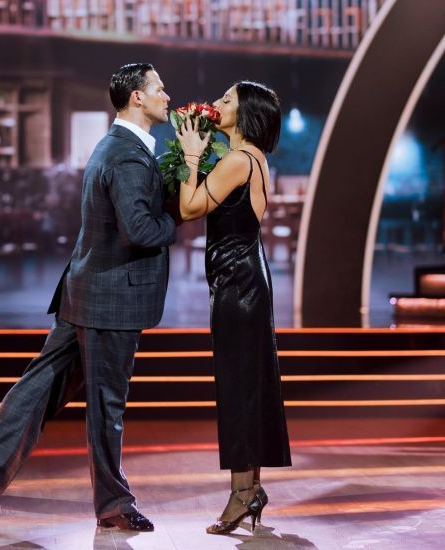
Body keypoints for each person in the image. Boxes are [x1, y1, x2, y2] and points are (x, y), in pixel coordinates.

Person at [0, 63, 175, 532]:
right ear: (136, 97)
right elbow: (139, 230)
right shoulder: (128, 155)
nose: (166, 96)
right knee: (106, 405)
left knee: (39, 386)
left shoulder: (114, 145)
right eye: (158, 88)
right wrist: (178, 219)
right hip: (109, 299)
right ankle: (113, 504)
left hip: (85, 290)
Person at [175, 81, 291, 535]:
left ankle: (242, 493)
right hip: (247, 275)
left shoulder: (238, 160)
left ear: (245, 115)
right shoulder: (254, 158)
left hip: (237, 282)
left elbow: (189, 208)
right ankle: (252, 488)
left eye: (227, 100)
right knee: (249, 383)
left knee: (238, 386)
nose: (217, 104)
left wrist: (190, 156)